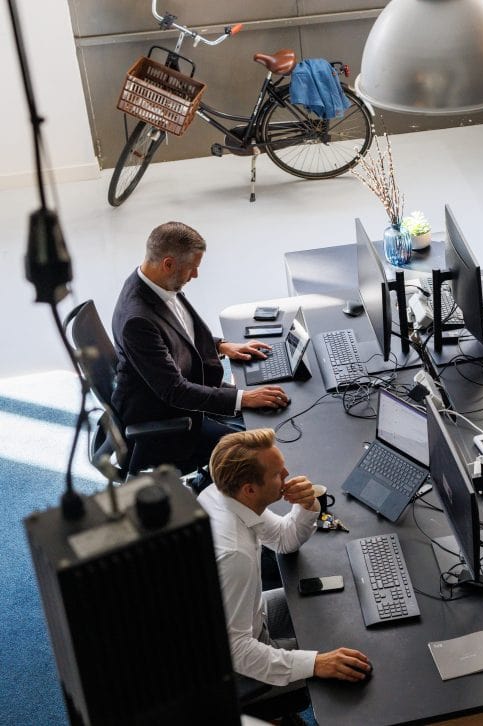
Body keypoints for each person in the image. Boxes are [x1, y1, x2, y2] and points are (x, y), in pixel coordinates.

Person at [199, 429, 371, 712]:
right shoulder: (235, 554)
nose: (287, 475)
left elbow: (283, 540)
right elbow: (237, 650)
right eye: (278, 474)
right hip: (229, 665)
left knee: (336, 608)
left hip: (246, 616)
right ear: (250, 489)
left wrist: (307, 504)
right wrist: (316, 663)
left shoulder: (223, 494)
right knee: (352, 665)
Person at [112, 221, 289, 471]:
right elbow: (176, 391)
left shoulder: (155, 283)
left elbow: (179, 330)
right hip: (168, 418)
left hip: (188, 386)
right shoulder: (137, 320)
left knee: (269, 408)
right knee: (258, 451)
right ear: (168, 264)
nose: (195, 275)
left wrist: (222, 346)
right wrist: (244, 399)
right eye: (192, 268)